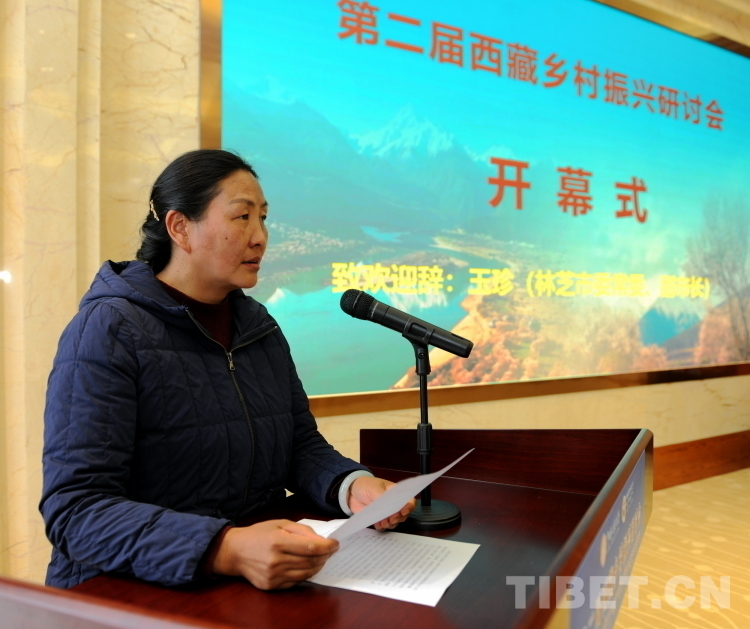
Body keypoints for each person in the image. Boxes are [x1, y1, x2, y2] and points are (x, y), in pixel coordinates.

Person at [40, 149, 415, 590]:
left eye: (263, 218)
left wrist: (351, 486)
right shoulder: (109, 330)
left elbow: (298, 446)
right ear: (180, 228)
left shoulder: (257, 326)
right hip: (124, 593)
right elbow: (77, 510)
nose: (260, 237)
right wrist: (224, 548)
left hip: (246, 584)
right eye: (242, 217)